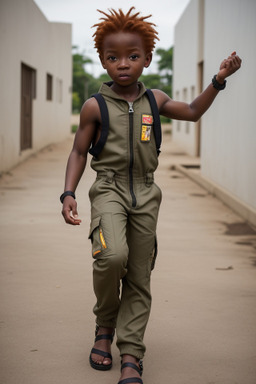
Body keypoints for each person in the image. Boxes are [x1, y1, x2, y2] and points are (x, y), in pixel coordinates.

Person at [61, 7, 241, 384]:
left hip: (146, 192)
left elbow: (192, 111)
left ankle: (131, 351)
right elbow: (79, 151)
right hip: (108, 188)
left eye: (132, 56)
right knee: (112, 258)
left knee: (140, 274)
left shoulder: (155, 101)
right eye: (113, 58)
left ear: (147, 58)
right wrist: (68, 193)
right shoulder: (95, 105)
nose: (123, 64)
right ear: (103, 61)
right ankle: (104, 325)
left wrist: (219, 80)